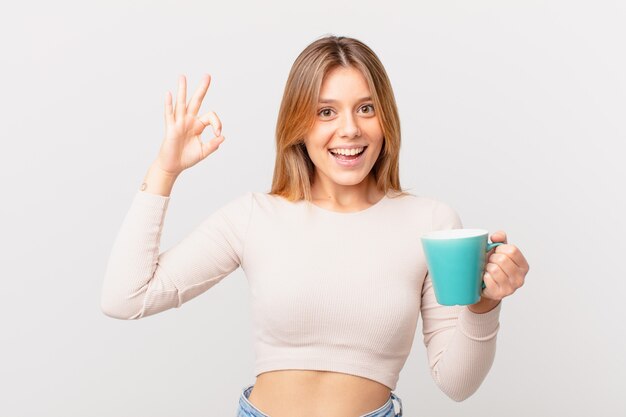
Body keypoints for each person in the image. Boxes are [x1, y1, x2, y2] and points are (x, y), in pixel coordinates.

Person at [100, 35, 530, 417]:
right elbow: (125, 297)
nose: (349, 129)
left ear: (386, 120)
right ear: (298, 125)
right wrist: (165, 169)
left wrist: (483, 306)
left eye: (366, 109)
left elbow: (457, 384)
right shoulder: (254, 216)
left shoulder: (431, 222)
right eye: (326, 111)